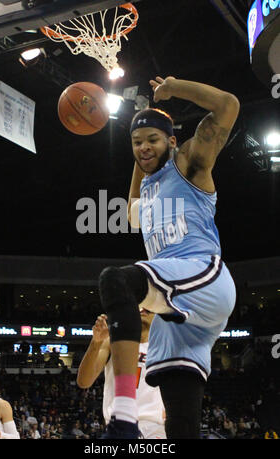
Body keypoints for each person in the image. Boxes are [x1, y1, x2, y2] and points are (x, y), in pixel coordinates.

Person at [97, 76, 240, 439]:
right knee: (180, 421)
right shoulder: (146, 193)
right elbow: (131, 213)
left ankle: (124, 420)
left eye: (153, 140)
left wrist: (174, 88)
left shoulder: (189, 164)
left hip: (202, 275)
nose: (143, 148)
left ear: (172, 141)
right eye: (136, 143)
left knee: (116, 280)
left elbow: (228, 106)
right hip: (177, 310)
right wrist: (143, 126)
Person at [77, 311, 166, 439]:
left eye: (150, 308)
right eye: (141, 306)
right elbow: (84, 381)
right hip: (120, 424)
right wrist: (95, 342)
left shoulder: (166, 344)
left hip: (155, 427)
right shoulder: (111, 341)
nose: (144, 310)